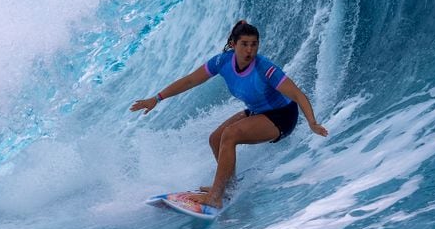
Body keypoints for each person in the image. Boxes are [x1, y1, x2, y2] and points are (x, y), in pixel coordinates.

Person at [131, 20, 328, 208]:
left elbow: (297, 94)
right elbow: (191, 80)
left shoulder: (265, 68)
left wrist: (312, 122)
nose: (249, 50)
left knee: (230, 134)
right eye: (244, 44)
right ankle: (229, 188)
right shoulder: (222, 61)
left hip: (282, 116)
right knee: (216, 138)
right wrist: (156, 98)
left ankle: (215, 196)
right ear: (233, 44)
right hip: (258, 111)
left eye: (254, 45)